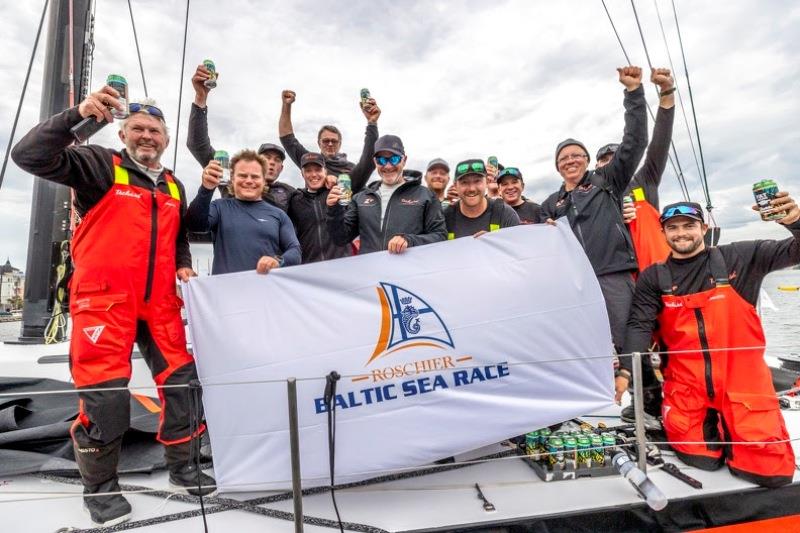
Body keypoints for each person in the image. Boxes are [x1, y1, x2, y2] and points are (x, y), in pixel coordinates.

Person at [11, 89, 214, 526]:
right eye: (138, 129)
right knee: (106, 396)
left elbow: (178, 236)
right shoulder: (100, 165)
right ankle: (101, 488)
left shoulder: (174, 183)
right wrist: (80, 115)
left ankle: (183, 467)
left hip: (159, 301)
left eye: (155, 131)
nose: (147, 136)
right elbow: (29, 155)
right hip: (103, 300)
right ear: (122, 132)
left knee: (183, 384)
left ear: (165, 137)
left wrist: (182, 265)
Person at [618, 197, 800, 488]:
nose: (681, 233)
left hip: (745, 392)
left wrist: (793, 222)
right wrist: (626, 371)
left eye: (689, 225)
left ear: (703, 228)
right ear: (663, 233)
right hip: (688, 393)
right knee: (701, 462)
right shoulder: (654, 277)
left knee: (771, 475)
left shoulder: (740, 257)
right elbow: (639, 325)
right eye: (673, 227)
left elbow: (795, 250)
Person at [541, 66, 648, 354]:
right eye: (563, 158)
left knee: (628, 345)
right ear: (557, 166)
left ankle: (645, 395)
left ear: (588, 160)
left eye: (577, 155)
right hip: (574, 283)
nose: (570, 160)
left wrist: (633, 93)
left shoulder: (608, 180)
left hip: (613, 274)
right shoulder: (550, 203)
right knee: (585, 347)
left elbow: (635, 142)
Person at [596, 67, 676, 272]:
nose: (610, 163)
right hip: (622, 284)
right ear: (597, 168)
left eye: (615, 158)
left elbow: (661, 140)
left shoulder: (645, 179)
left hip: (662, 276)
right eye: (604, 160)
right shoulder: (592, 198)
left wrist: (666, 91)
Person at [188, 64, 295, 211]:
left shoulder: (289, 193)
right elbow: (198, 145)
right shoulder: (232, 177)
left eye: (277, 161)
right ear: (257, 162)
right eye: (267, 158)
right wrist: (201, 97)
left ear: (281, 169)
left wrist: (329, 179)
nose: (271, 163)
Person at [186, 149, 301, 274]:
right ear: (232, 178)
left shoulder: (279, 215)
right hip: (225, 290)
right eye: (242, 175)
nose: (249, 180)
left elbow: (295, 251)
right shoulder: (219, 207)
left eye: (255, 176)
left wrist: (278, 261)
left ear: (263, 181)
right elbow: (194, 224)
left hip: (265, 290)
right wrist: (206, 188)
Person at [326, 135, 447, 254]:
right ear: (375, 162)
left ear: (404, 160)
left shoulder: (425, 195)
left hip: (408, 272)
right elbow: (340, 239)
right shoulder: (360, 198)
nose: (388, 166)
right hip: (370, 272)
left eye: (394, 159)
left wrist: (410, 241)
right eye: (381, 160)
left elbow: (440, 236)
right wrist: (334, 209)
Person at [279, 89, 380, 192]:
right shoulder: (310, 161)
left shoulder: (351, 168)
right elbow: (288, 140)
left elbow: (368, 161)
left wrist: (372, 123)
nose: (330, 144)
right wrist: (286, 106)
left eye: (334, 141)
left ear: (340, 144)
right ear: (319, 143)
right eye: (326, 141)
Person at [286, 152, 354, 263]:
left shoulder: (339, 191)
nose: (313, 175)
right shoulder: (294, 199)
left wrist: (339, 181)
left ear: (325, 172)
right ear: (302, 174)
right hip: (310, 269)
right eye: (308, 171)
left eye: (318, 169)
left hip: (343, 265)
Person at [444, 159, 519, 239]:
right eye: (464, 182)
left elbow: (517, 248)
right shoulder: (445, 218)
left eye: (477, 181)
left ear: (486, 182)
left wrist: (496, 240)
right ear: (455, 186)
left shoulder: (505, 214)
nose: (471, 189)